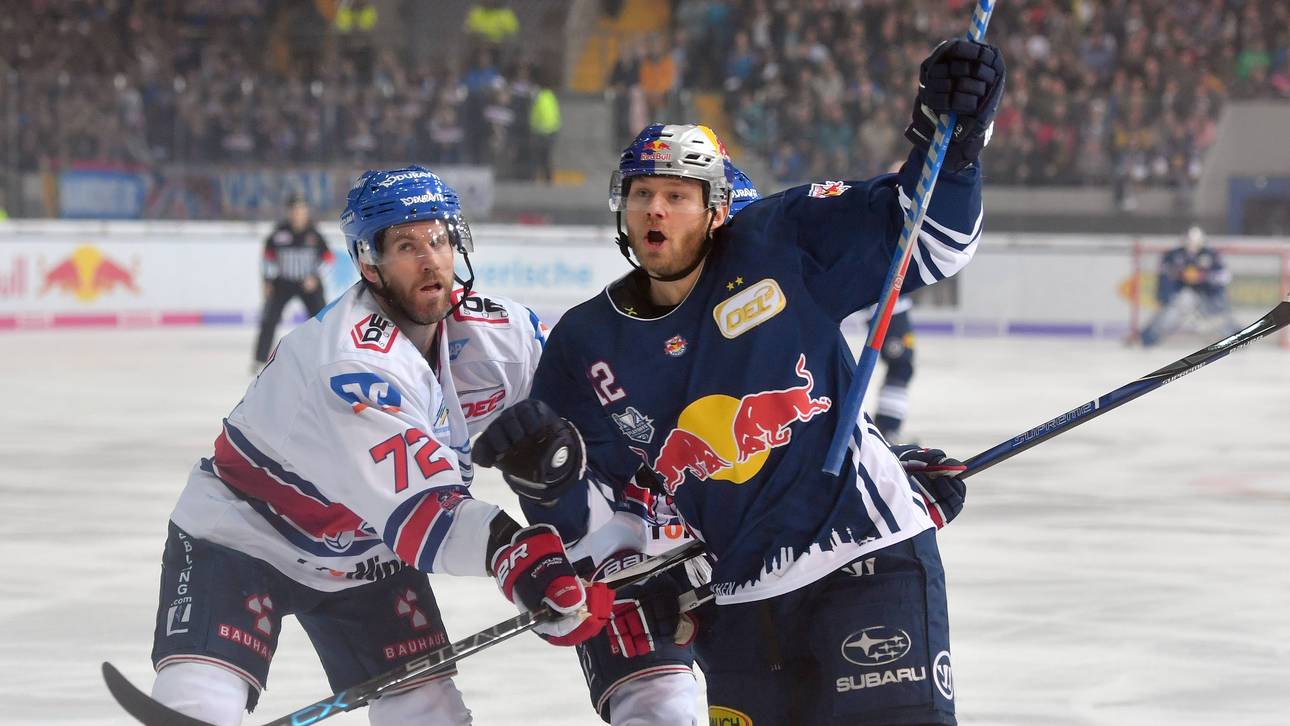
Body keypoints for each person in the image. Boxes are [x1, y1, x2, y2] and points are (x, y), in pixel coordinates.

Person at [473, 36, 1004, 726]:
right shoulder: (583, 345)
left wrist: (952, 142)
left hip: (864, 561)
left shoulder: (777, 240)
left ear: (719, 209)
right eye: (642, 194)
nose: (656, 210)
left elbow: (932, 238)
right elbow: (601, 530)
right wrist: (543, 480)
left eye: (676, 195)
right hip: (736, 608)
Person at [147, 167, 610, 726]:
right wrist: (521, 559)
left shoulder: (500, 334)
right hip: (244, 537)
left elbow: (601, 407)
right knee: (197, 707)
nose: (429, 258)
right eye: (406, 246)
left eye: (438, 239)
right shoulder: (350, 364)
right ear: (369, 264)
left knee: (431, 716)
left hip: (367, 554)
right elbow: (425, 519)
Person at [253, 194, 333, 371]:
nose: (298, 214)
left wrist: (315, 277)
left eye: (301, 210)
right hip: (283, 283)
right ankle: (259, 359)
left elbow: (328, 259)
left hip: (309, 285)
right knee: (269, 319)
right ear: (289, 212)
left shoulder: (315, 235)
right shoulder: (278, 234)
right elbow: (267, 258)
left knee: (322, 320)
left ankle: (326, 357)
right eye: (295, 210)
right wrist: (267, 281)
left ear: (306, 212)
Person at [1140, 225, 1241, 346]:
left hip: (1207, 295)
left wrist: (1206, 277)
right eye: (1190, 242)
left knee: (1218, 317)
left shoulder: (1210, 255)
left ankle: (1237, 338)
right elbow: (1164, 276)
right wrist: (1165, 295)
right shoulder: (1174, 255)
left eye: (1195, 242)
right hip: (1181, 296)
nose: (1192, 245)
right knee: (1169, 314)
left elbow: (1224, 276)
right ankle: (1148, 338)